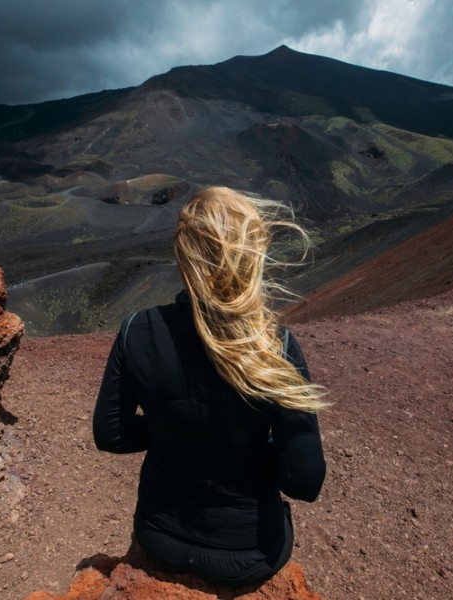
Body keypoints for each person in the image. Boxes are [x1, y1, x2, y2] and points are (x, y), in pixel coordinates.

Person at [93, 186, 327, 586]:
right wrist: (240, 443)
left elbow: (111, 434)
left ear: (183, 255)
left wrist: (175, 428)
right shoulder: (275, 348)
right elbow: (304, 480)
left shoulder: (137, 329)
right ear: (253, 254)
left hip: (159, 538)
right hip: (249, 553)